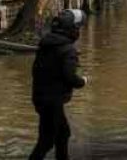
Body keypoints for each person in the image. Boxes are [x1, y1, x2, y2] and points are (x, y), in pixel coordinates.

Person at [29, 9, 87, 160]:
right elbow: (70, 77)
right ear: (71, 29)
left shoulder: (46, 44)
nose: (78, 31)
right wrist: (83, 81)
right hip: (52, 101)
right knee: (47, 141)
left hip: (41, 97)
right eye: (77, 28)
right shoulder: (68, 51)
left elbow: (36, 70)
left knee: (63, 134)